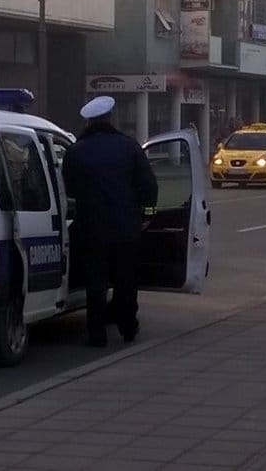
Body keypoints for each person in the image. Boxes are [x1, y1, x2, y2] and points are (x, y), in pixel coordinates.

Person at [62, 95, 158, 347]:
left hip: (91, 229)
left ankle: (96, 335)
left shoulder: (76, 151)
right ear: (111, 118)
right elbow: (148, 186)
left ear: (88, 122)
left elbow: (69, 189)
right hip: (126, 229)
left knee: (96, 283)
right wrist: (148, 214)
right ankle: (128, 327)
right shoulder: (129, 147)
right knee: (126, 280)